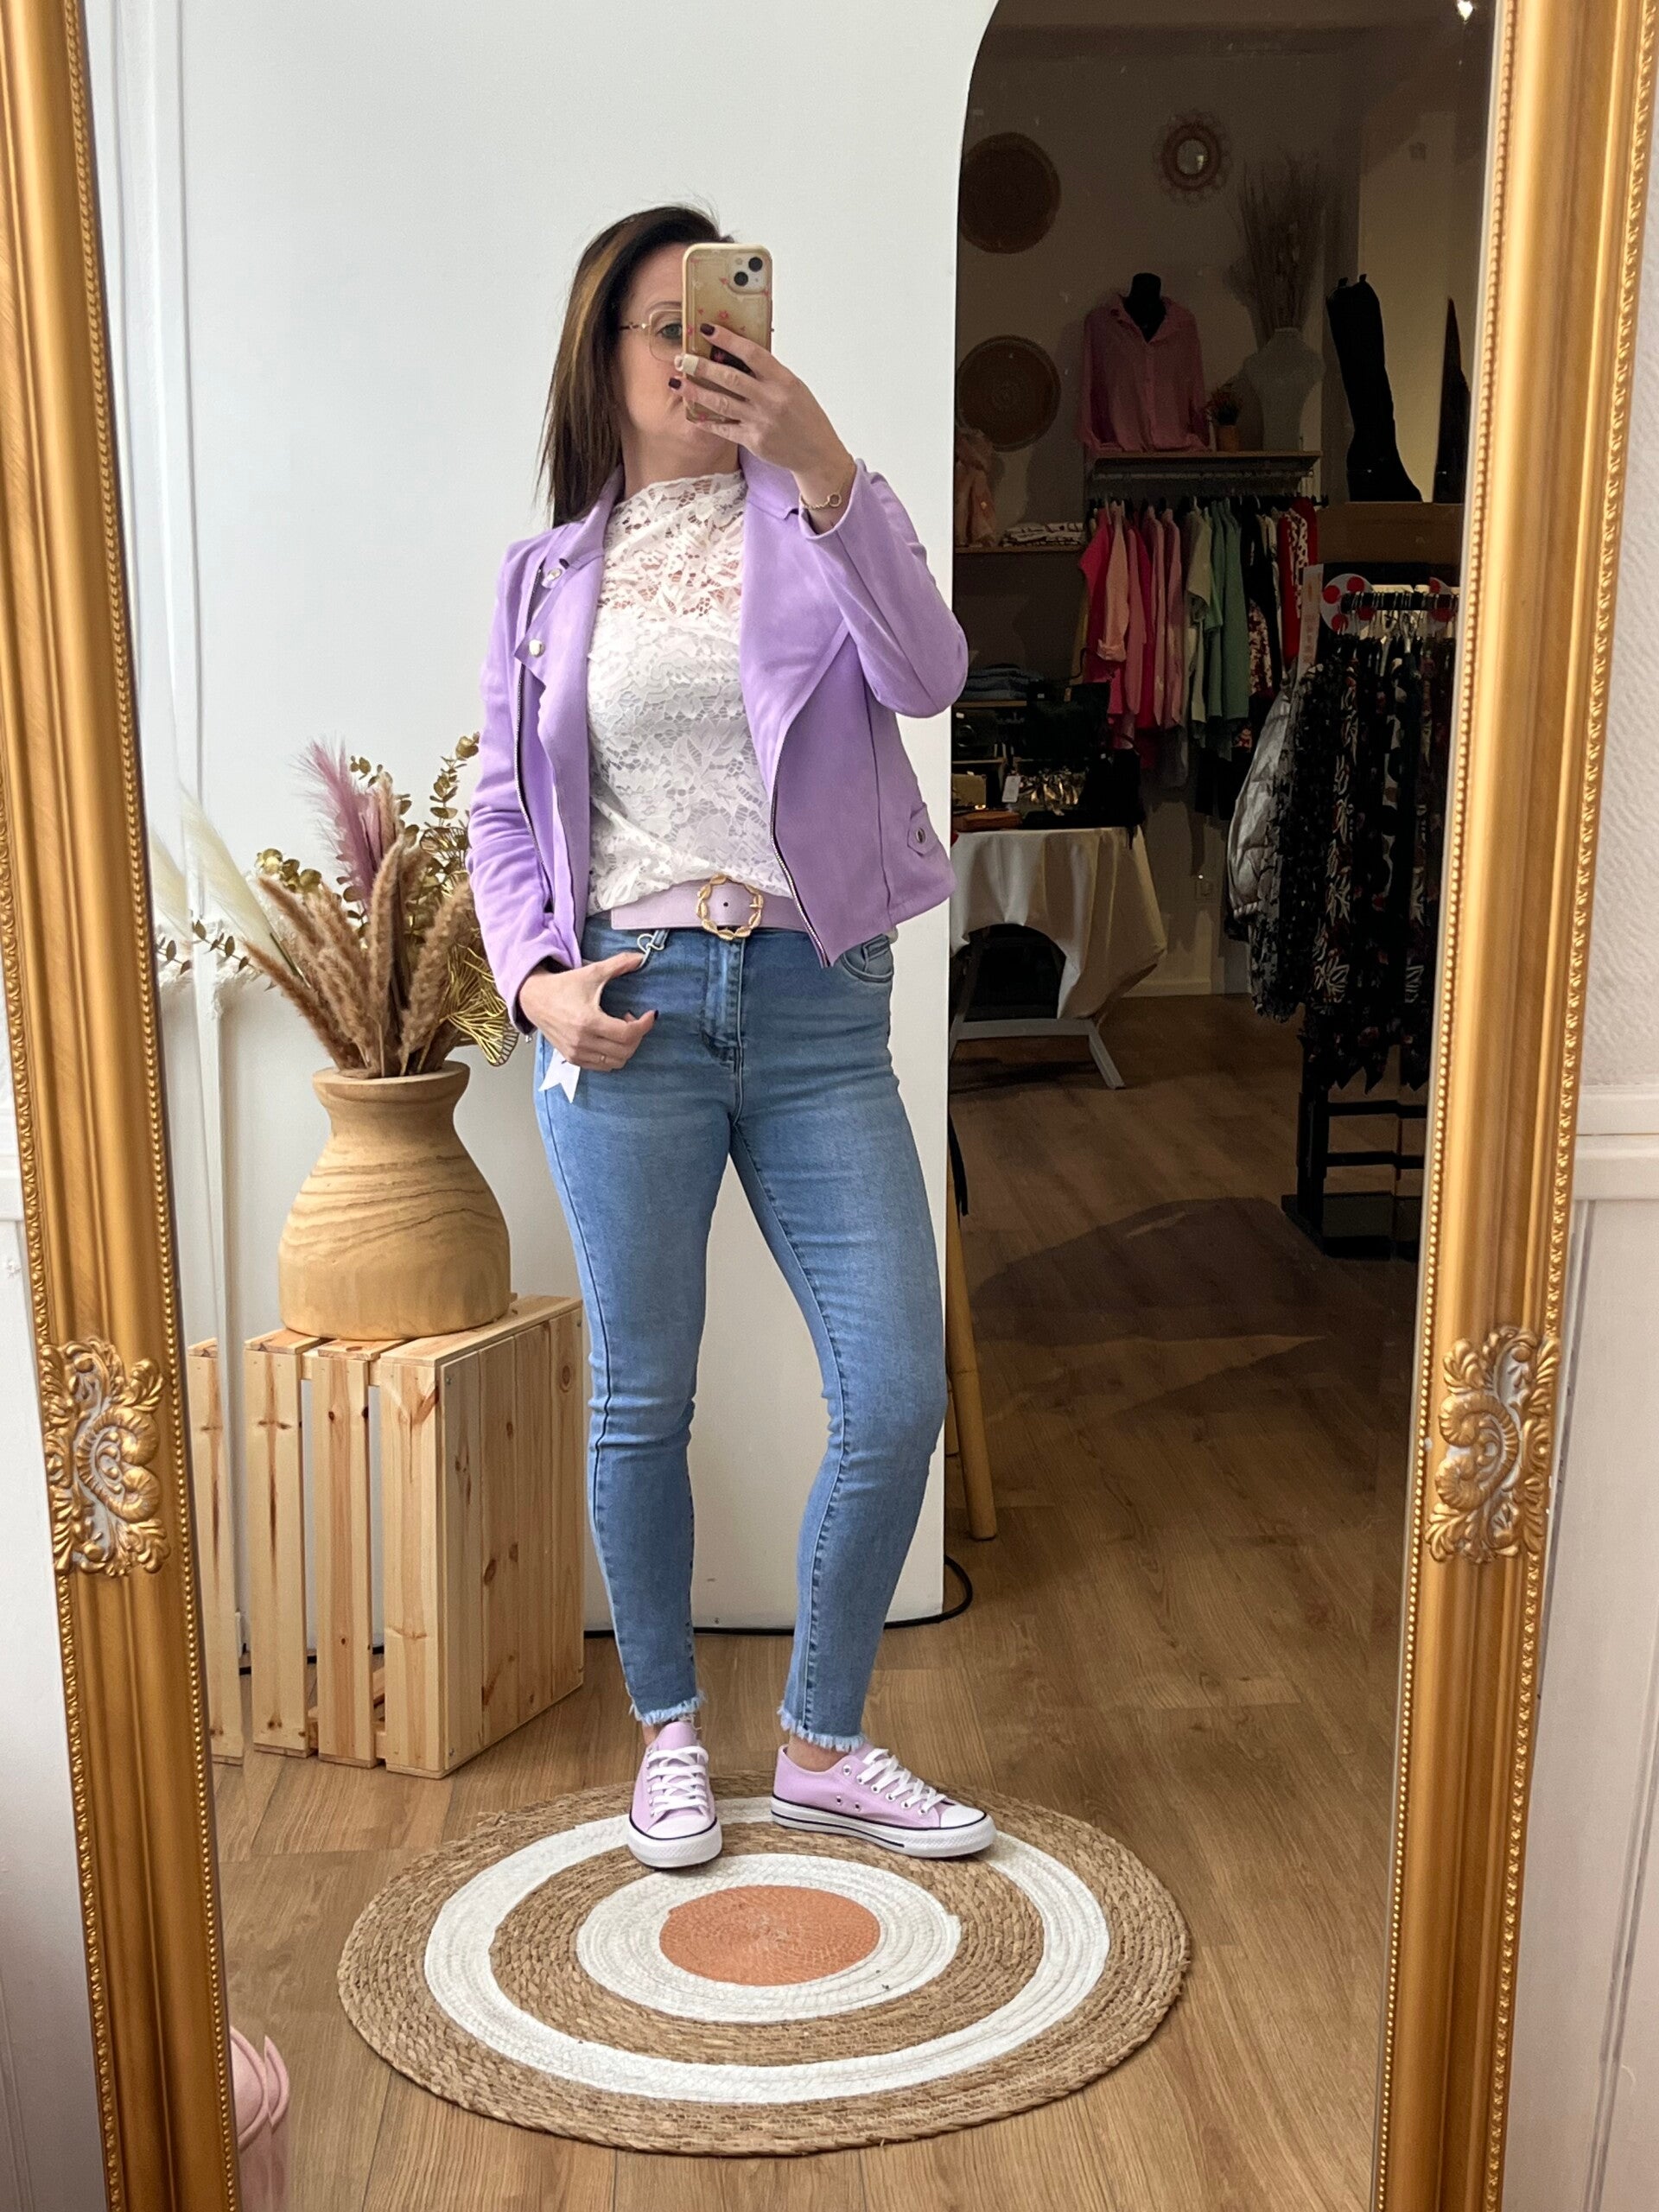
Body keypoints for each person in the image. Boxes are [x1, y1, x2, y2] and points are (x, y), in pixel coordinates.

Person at [467, 204, 992, 1870]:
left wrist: (827, 463)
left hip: (820, 1004)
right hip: (631, 1007)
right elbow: (502, 812)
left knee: (895, 1388)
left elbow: (932, 673)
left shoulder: (818, 517)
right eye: (667, 328)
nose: (701, 354)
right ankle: (672, 1738)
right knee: (645, 1398)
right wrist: (537, 985)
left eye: (722, 323)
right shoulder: (547, 576)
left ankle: (824, 1741)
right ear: (603, 358)